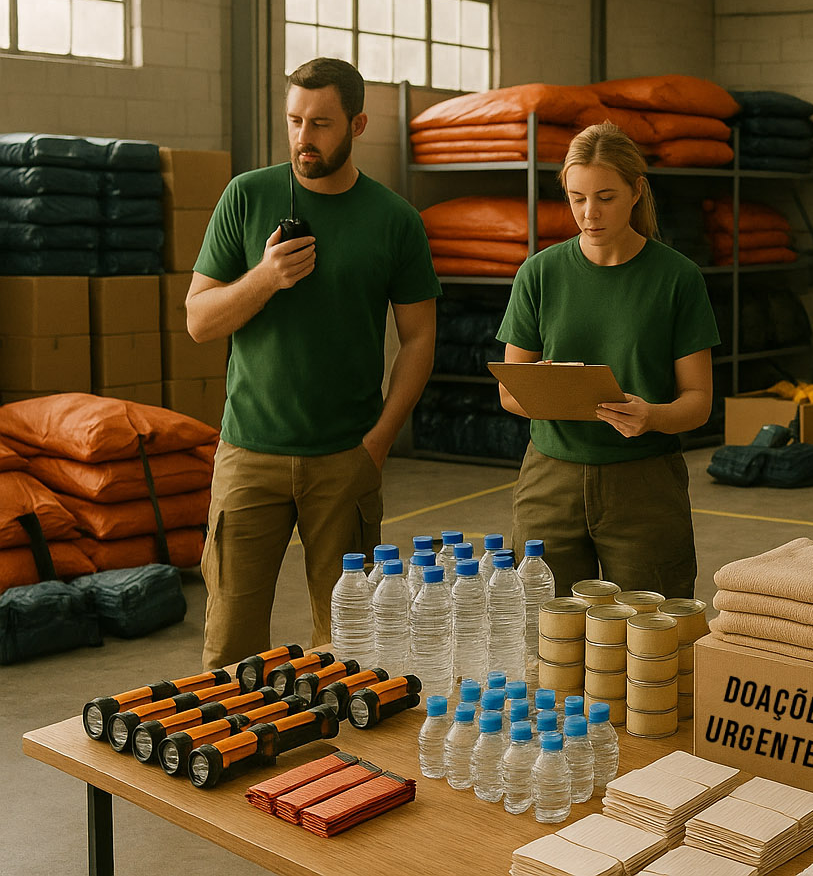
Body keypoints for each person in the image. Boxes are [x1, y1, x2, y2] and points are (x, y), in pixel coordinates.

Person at [187, 57, 441, 669]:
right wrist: (267, 278)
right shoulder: (246, 197)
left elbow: (419, 338)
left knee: (348, 647)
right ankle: (233, 758)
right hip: (249, 453)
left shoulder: (394, 220)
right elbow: (200, 320)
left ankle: (335, 763)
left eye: (321, 123)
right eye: (294, 121)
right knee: (229, 642)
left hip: (345, 459)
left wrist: (378, 442)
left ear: (356, 126)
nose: (304, 137)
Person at [496, 122, 718, 597]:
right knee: (546, 633)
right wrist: (547, 388)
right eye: (577, 198)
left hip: (645, 483)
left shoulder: (677, 278)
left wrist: (651, 416)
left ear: (636, 191)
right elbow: (509, 392)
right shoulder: (539, 273)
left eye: (605, 197)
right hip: (549, 479)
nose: (589, 213)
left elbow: (698, 402)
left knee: (652, 635)